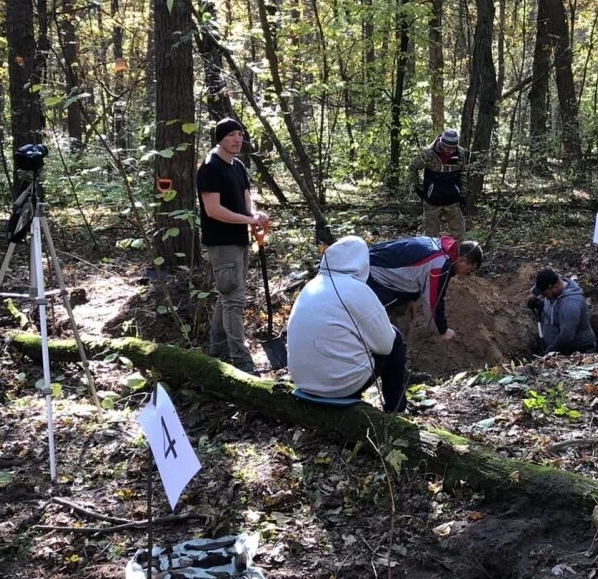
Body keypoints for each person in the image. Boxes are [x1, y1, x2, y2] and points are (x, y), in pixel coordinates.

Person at [286, 236, 407, 413]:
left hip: (303, 381)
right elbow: (385, 345)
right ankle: (396, 410)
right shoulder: (357, 290)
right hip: (339, 386)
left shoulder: (311, 286)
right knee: (394, 337)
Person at [197, 117, 269, 372]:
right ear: (220, 138)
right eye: (231, 135)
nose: (237, 139)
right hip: (222, 243)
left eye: (239, 134)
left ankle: (217, 350)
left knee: (227, 296)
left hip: (240, 241)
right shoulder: (210, 167)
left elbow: (246, 200)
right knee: (234, 300)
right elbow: (214, 210)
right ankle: (242, 360)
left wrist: (255, 216)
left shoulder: (237, 166)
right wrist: (247, 219)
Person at [367, 235, 484, 341]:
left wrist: (411, 298)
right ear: (463, 260)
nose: (465, 273)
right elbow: (433, 301)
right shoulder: (441, 265)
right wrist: (442, 331)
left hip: (374, 263)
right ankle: (386, 356)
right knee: (380, 327)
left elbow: (417, 272)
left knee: (402, 312)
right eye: (469, 270)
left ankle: (395, 351)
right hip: (374, 274)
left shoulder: (441, 246)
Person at [409, 129, 468, 241]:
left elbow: (463, 173)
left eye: (453, 148)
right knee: (430, 237)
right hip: (432, 200)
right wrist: (416, 187)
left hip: (452, 199)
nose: (450, 151)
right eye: (447, 148)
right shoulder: (427, 153)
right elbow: (413, 168)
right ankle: (432, 257)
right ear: (441, 143)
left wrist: (463, 194)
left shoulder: (460, 153)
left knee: (459, 234)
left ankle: (460, 256)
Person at [526, 268, 596, 356]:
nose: (542, 296)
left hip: (577, 353)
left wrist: (548, 353)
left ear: (553, 287)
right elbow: (554, 308)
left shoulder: (570, 304)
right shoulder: (554, 293)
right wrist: (540, 304)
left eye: (544, 294)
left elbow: (566, 336)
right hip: (557, 350)